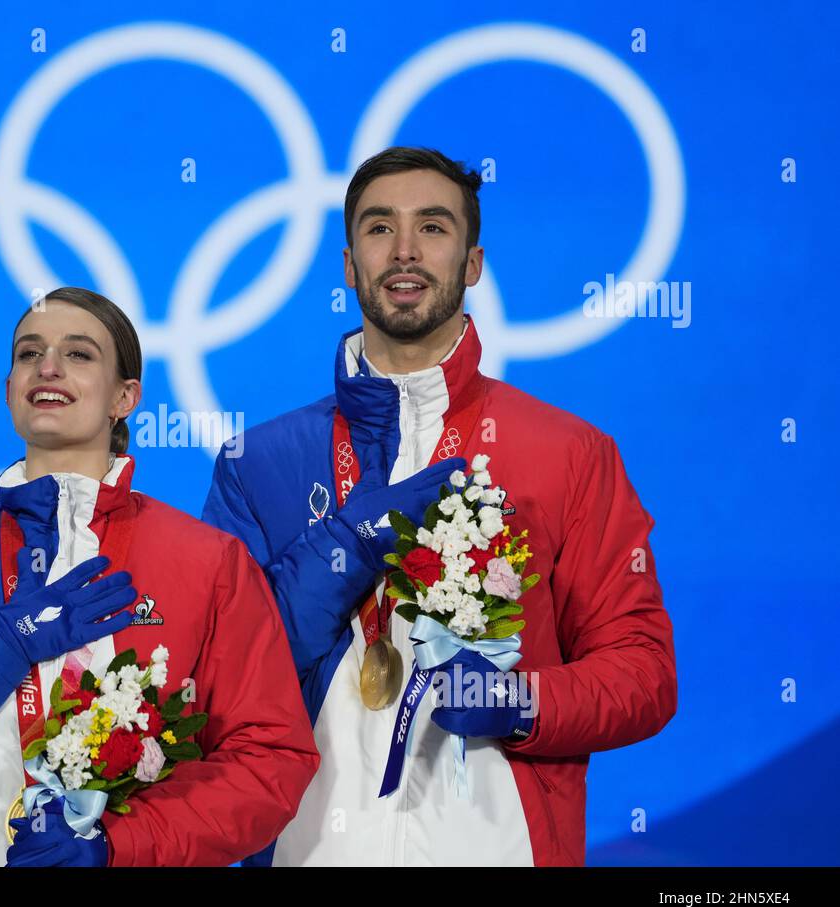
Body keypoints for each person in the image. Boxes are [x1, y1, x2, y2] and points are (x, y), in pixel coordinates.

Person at [201, 146, 677, 866]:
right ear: (348, 265)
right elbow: (214, 682)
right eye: (378, 228)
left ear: (473, 262)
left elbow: (643, 672)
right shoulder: (259, 462)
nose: (404, 250)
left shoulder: (569, 453)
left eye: (433, 226)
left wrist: (525, 702)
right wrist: (344, 551)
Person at [0, 287, 319, 866]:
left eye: (79, 354)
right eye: (29, 353)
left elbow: (268, 762)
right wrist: (3, 643)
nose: (49, 366)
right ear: (9, 391)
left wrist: (117, 846)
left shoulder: (209, 561)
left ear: (124, 397)